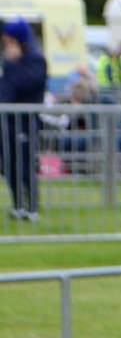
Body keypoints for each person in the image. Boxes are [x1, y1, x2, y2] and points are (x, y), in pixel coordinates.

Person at [0, 18, 48, 220]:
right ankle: (18, 205)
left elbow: (26, 84)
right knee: (8, 164)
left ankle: (32, 207)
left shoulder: (35, 60)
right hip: (7, 120)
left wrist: (12, 64)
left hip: (25, 121)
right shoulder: (8, 60)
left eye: (8, 38)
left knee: (25, 164)